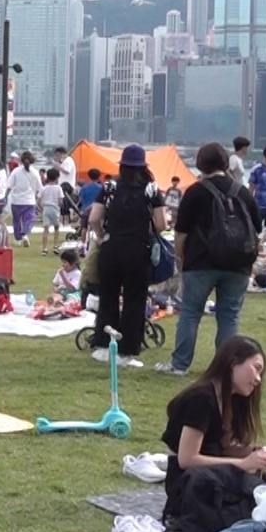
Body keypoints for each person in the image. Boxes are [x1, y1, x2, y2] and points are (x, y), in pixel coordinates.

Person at [156, 142, 261, 377]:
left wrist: (182, 260)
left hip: (201, 262)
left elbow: (181, 233)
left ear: (201, 164)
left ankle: (180, 364)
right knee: (229, 315)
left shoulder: (195, 192)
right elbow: (257, 229)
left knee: (191, 312)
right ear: (225, 163)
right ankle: (226, 368)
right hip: (238, 264)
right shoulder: (242, 192)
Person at [161, 336, 266, 530]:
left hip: (212, 479)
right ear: (234, 362)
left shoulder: (228, 399)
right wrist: (242, 464)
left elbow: (221, 446)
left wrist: (256, 453)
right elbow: (187, 458)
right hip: (190, 486)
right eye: (256, 368)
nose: (258, 380)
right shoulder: (202, 398)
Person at [87, 144, 166, 368]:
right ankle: (129, 348)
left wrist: (103, 236)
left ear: (121, 165)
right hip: (138, 250)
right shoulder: (151, 189)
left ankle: (103, 344)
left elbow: (94, 218)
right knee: (134, 300)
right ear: (143, 167)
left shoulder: (109, 186)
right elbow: (161, 224)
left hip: (111, 248)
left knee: (108, 297)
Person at [7, 151, 43, 247]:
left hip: (16, 200)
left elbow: (9, 185)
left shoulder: (15, 171)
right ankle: (25, 234)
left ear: (21, 160)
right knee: (29, 219)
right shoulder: (35, 172)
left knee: (17, 220)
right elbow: (40, 188)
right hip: (29, 201)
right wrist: (39, 199)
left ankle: (18, 238)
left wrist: (5, 197)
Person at [39, 166, 63, 255]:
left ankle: (44, 248)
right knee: (56, 228)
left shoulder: (44, 188)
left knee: (46, 229)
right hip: (55, 209)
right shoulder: (58, 188)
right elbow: (60, 201)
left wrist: (41, 208)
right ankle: (55, 246)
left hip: (46, 208)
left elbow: (39, 200)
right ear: (57, 178)